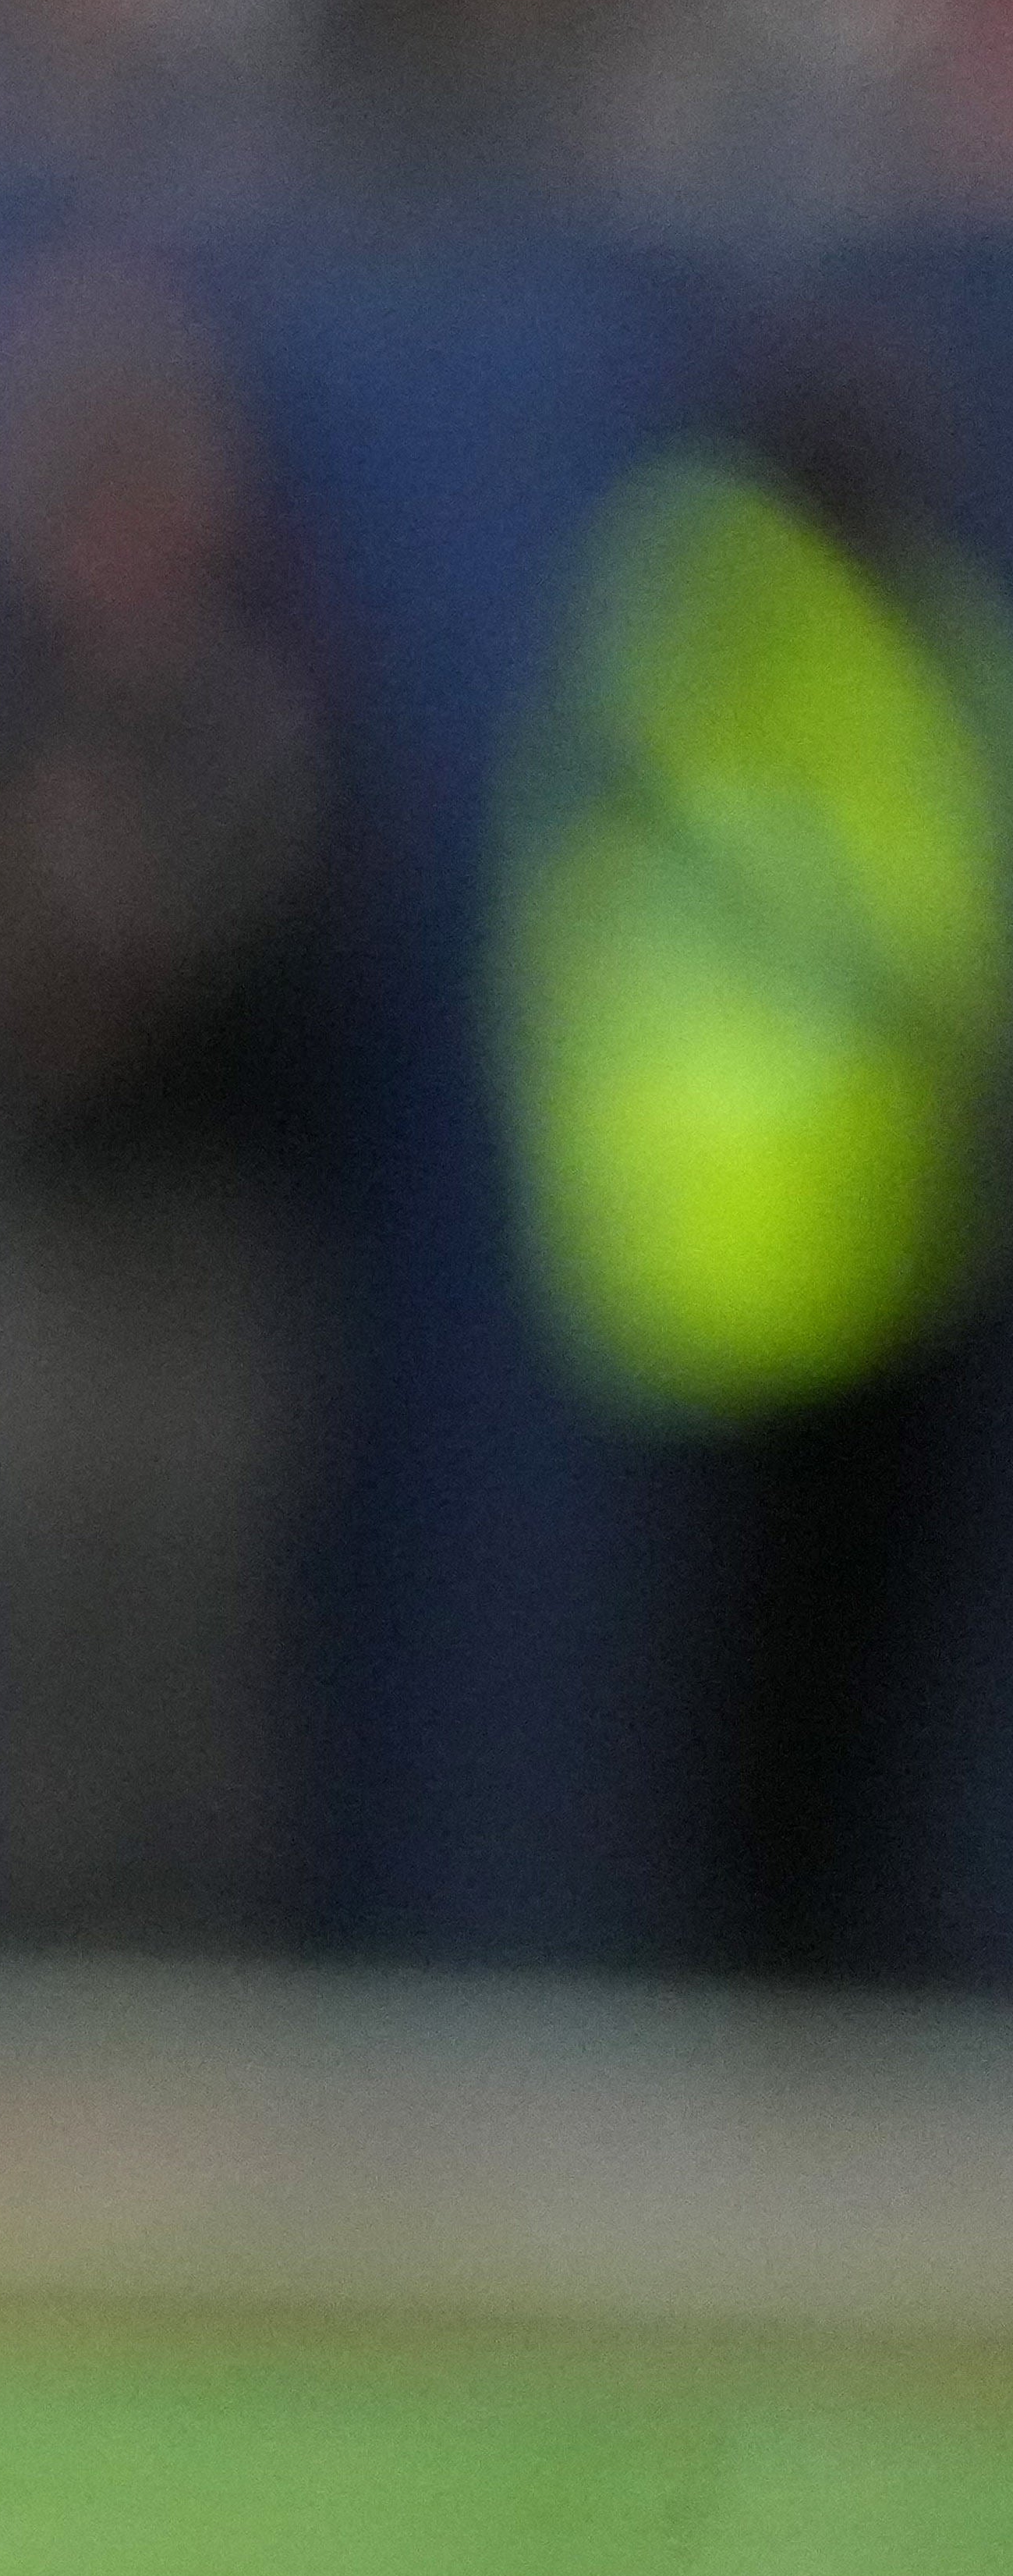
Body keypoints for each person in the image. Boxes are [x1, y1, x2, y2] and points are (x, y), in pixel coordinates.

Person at [0, 253, 342, 1950]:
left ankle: (163, 2002)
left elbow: (263, 949)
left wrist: (104, 961)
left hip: (176, 1228)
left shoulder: (252, 698)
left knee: (170, 1657)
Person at [496, 327, 1013, 1983]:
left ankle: (806, 1966)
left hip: (890, 1218)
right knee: (749, 1659)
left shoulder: (896, 640)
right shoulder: (726, 636)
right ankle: (738, 1972)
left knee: (853, 1651)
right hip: (752, 1226)